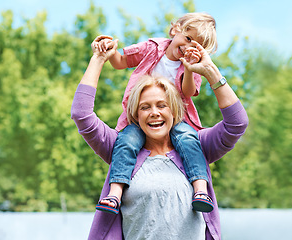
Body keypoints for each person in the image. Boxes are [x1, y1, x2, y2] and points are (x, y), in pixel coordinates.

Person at [71, 33, 248, 239]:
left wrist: (210, 71)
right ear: (136, 115)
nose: (154, 112)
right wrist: (99, 59)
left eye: (162, 105)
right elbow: (81, 114)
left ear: (174, 111)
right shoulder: (119, 148)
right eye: (145, 107)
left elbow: (237, 124)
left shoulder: (197, 147)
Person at [93, 12, 218, 214]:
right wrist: (109, 49)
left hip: (175, 120)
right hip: (140, 118)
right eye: (187, 39)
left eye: (195, 47)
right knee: (126, 142)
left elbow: (187, 92)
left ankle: (201, 191)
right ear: (175, 29)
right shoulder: (152, 48)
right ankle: (114, 194)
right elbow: (120, 62)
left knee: (189, 139)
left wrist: (189, 68)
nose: (188, 48)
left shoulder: (193, 67)